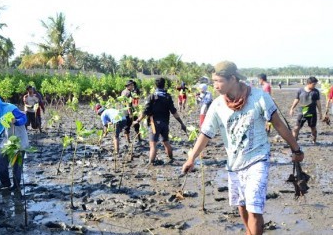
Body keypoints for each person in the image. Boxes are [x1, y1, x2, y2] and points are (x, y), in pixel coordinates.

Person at [182, 61, 304, 235]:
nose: (215, 85)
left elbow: (279, 124)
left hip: (258, 159)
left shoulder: (259, 97)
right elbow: (205, 134)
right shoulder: (217, 105)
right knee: (242, 206)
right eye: (213, 81)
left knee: (254, 206)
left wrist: (296, 149)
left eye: (218, 81)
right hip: (234, 163)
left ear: (233, 78)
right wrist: (191, 158)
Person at [133, 77, 187, 165]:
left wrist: (138, 120)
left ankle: (151, 163)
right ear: (164, 85)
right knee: (166, 142)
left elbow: (145, 111)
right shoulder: (167, 97)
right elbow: (174, 111)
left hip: (154, 123)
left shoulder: (152, 96)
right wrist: (181, 123)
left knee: (153, 145)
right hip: (165, 123)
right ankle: (171, 158)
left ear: (155, 85)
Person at [0, 93, 29, 190]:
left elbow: (24, 118)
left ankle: (16, 186)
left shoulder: (10, 108)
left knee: (17, 165)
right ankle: (5, 184)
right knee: (0, 159)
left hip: (19, 140)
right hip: (8, 140)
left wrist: (16, 121)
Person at [289, 76, 322, 144]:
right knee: (296, 128)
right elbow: (296, 100)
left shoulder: (316, 92)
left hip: (312, 112)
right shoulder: (300, 90)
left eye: (315, 84)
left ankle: (314, 141)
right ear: (309, 83)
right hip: (302, 112)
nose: (314, 86)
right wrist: (292, 108)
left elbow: (318, 102)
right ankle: (294, 141)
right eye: (314, 84)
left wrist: (320, 112)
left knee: (313, 128)